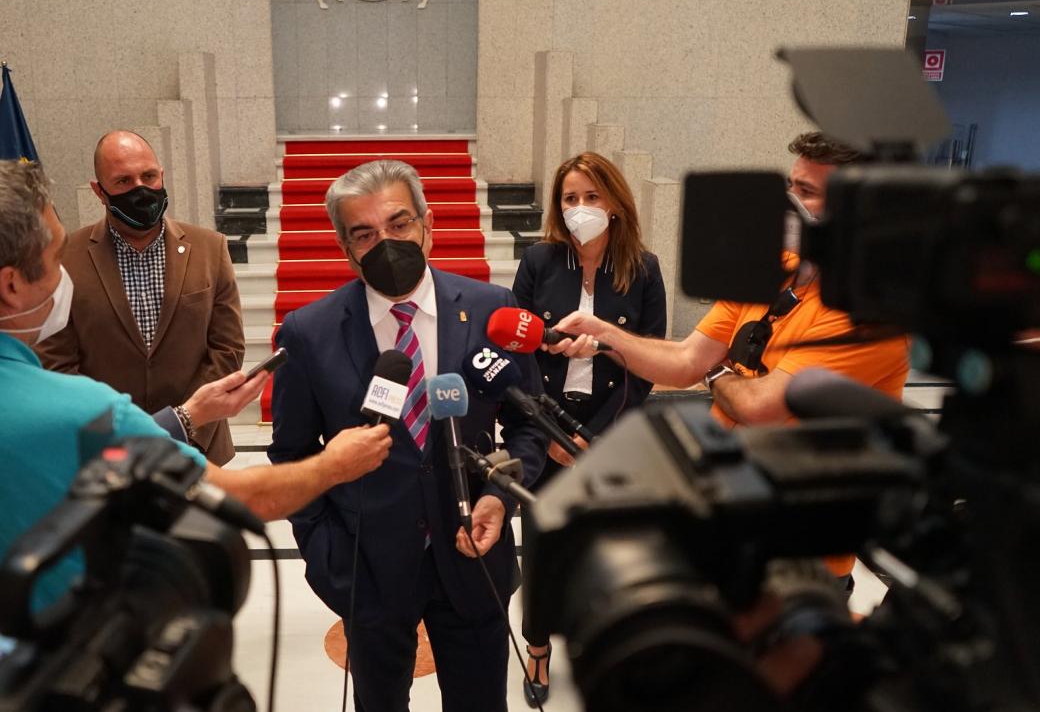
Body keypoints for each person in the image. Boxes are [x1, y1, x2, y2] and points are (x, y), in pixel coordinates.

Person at [0, 161, 392, 712]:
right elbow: (245, 500)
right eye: (55, 257)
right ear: (10, 285)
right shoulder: (78, 411)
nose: (63, 274)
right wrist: (334, 463)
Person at [549, 132, 910, 590]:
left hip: (800, 560)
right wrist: (605, 335)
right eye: (791, 185)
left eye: (807, 192)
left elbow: (760, 404)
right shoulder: (771, 268)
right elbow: (684, 360)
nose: (788, 202)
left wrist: (715, 369)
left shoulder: (867, 313)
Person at [268, 159, 547, 712]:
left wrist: (498, 497)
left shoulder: (492, 310)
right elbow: (292, 456)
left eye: (398, 225)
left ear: (428, 225)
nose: (385, 242)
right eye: (364, 233)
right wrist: (325, 554)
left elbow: (527, 425)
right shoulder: (309, 332)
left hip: (473, 553)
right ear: (345, 247)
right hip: (366, 568)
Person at [511, 151, 667, 706]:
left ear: (616, 204)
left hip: (609, 429)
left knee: (607, 548)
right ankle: (538, 647)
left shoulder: (644, 269)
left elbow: (647, 366)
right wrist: (551, 434)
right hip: (543, 425)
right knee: (543, 544)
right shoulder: (539, 261)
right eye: (570, 198)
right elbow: (515, 347)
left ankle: (603, 641)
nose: (580, 209)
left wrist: (591, 440)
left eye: (592, 197)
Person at [37, 130, 245, 465]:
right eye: (123, 181)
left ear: (161, 175)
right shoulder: (64, 257)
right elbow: (56, 362)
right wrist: (120, 432)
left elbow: (227, 348)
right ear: (99, 191)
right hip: (103, 451)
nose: (140, 189)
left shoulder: (210, 248)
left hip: (199, 448)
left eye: (148, 176)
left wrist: (187, 424)